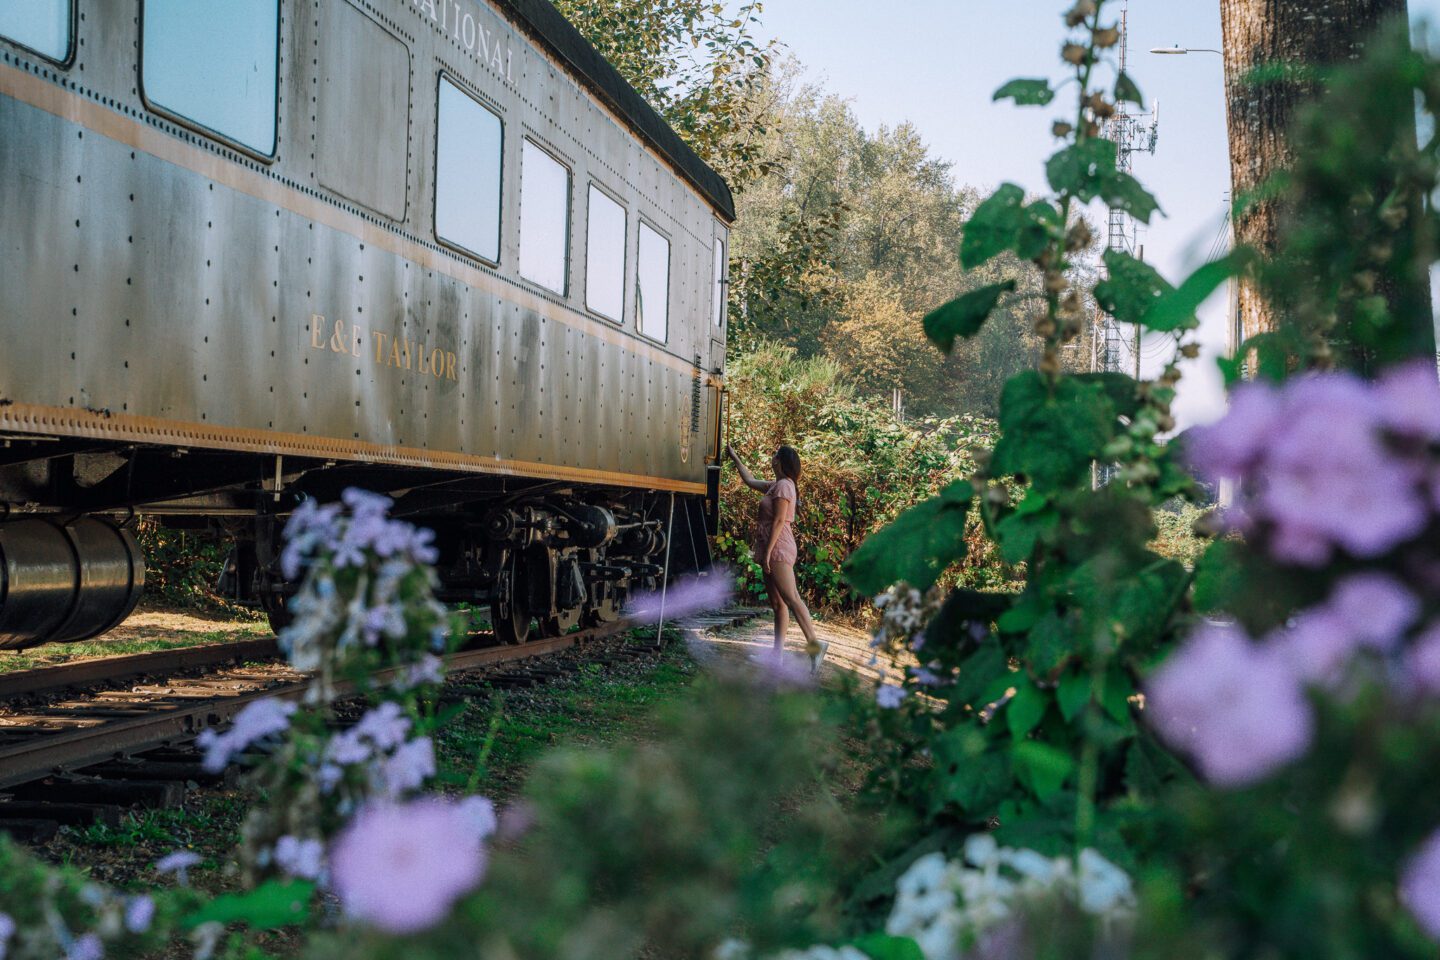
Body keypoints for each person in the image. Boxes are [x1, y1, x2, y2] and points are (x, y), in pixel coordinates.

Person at [726, 443, 828, 673]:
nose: (771, 457)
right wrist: (735, 457)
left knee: (791, 598)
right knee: (778, 604)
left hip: (778, 548)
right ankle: (776, 657)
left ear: (780, 462)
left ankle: (815, 643)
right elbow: (750, 480)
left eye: (775, 455)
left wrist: (769, 552)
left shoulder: (784, 486)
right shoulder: (776, 486)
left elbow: (779, 521)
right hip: (771, 548)